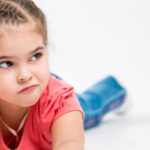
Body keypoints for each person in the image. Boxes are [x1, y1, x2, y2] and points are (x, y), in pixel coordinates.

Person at [0, 0, 128, 149]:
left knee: (87, 108)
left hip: (47, 95)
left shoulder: (58, 102)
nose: (25, 75)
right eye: (6, 63)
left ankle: (113, 89)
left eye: (36, 56)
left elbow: (70, 143)